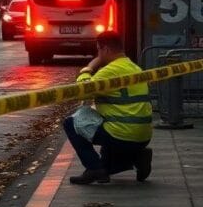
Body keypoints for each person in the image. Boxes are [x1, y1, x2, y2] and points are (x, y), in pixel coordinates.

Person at [63, 31, 153, 184]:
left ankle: (93, 168)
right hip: (143, 136)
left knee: (71, 122)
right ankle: (138, 156)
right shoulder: (134, 67)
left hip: (122, 134)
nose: (98, 54)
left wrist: (88, 68)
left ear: (105, 49)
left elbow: (82, 92)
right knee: (107, 166)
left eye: (98, 50)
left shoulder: (110, 71)